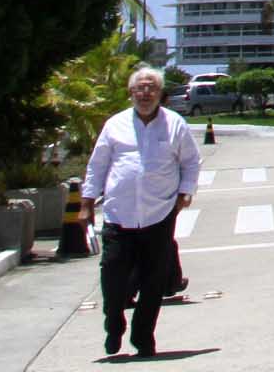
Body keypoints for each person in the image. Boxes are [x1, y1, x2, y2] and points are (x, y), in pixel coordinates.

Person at [80, 65, 200, 357]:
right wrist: (86, 202)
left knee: (153, 281)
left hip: (159, 214)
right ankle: (114, 322)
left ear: (160, 93)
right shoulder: (115, 125)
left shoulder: (174, 124)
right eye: (140, 88)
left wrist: (186, 192)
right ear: (131, 92)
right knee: (112, 275)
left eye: (152, 88)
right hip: (118, 215)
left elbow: (191, 162)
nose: (145, 93)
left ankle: (143, 337)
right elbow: (98, 165)